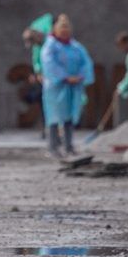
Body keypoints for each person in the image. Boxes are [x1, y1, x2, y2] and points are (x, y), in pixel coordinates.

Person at [41, 14, 94, 157]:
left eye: (67, 28)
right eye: (62, 28)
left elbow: (86, 62)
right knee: (53, 118)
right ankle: (53, 147)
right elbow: (49, 64)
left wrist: (80, 76)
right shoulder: (50, 46)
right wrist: (64, 77)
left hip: (73, 87)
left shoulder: (76, 46)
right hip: (56, 88)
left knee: (69, 117)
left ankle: (68, 146)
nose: (64, 32)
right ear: (55, 29)